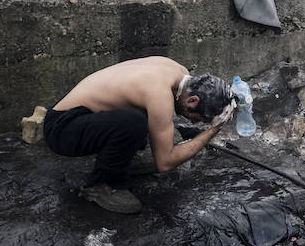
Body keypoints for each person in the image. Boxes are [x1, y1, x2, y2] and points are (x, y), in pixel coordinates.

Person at [44, 56, 236, 214]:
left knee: (152, 125)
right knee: (134, 123)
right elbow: (165, 163)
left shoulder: (178, 71)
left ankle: (119, 159)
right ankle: (102, 184)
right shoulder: (159, 94)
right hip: (62, 130)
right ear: (193, 100)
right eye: (199, 117)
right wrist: (212, 131)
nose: (195, 122)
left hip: (81, 116)